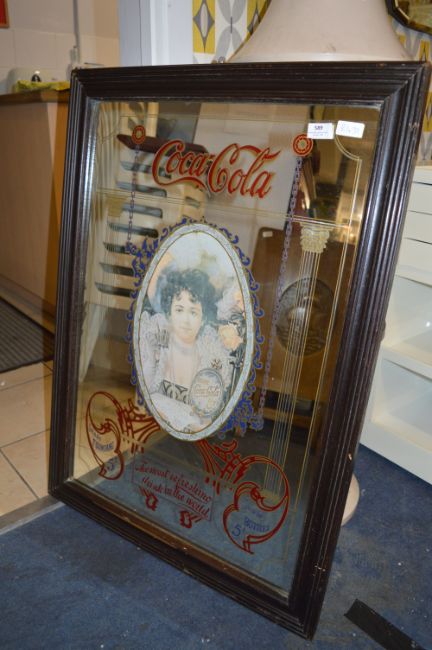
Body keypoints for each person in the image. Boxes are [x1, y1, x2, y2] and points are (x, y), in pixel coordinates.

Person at [139, 268, 236, 434]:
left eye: (193, 312)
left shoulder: (209, 354)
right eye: (179, 310)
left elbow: (206, 415)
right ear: (169, 313)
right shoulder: (160, 345)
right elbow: (147, 393)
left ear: (203, 318)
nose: (185, 320)